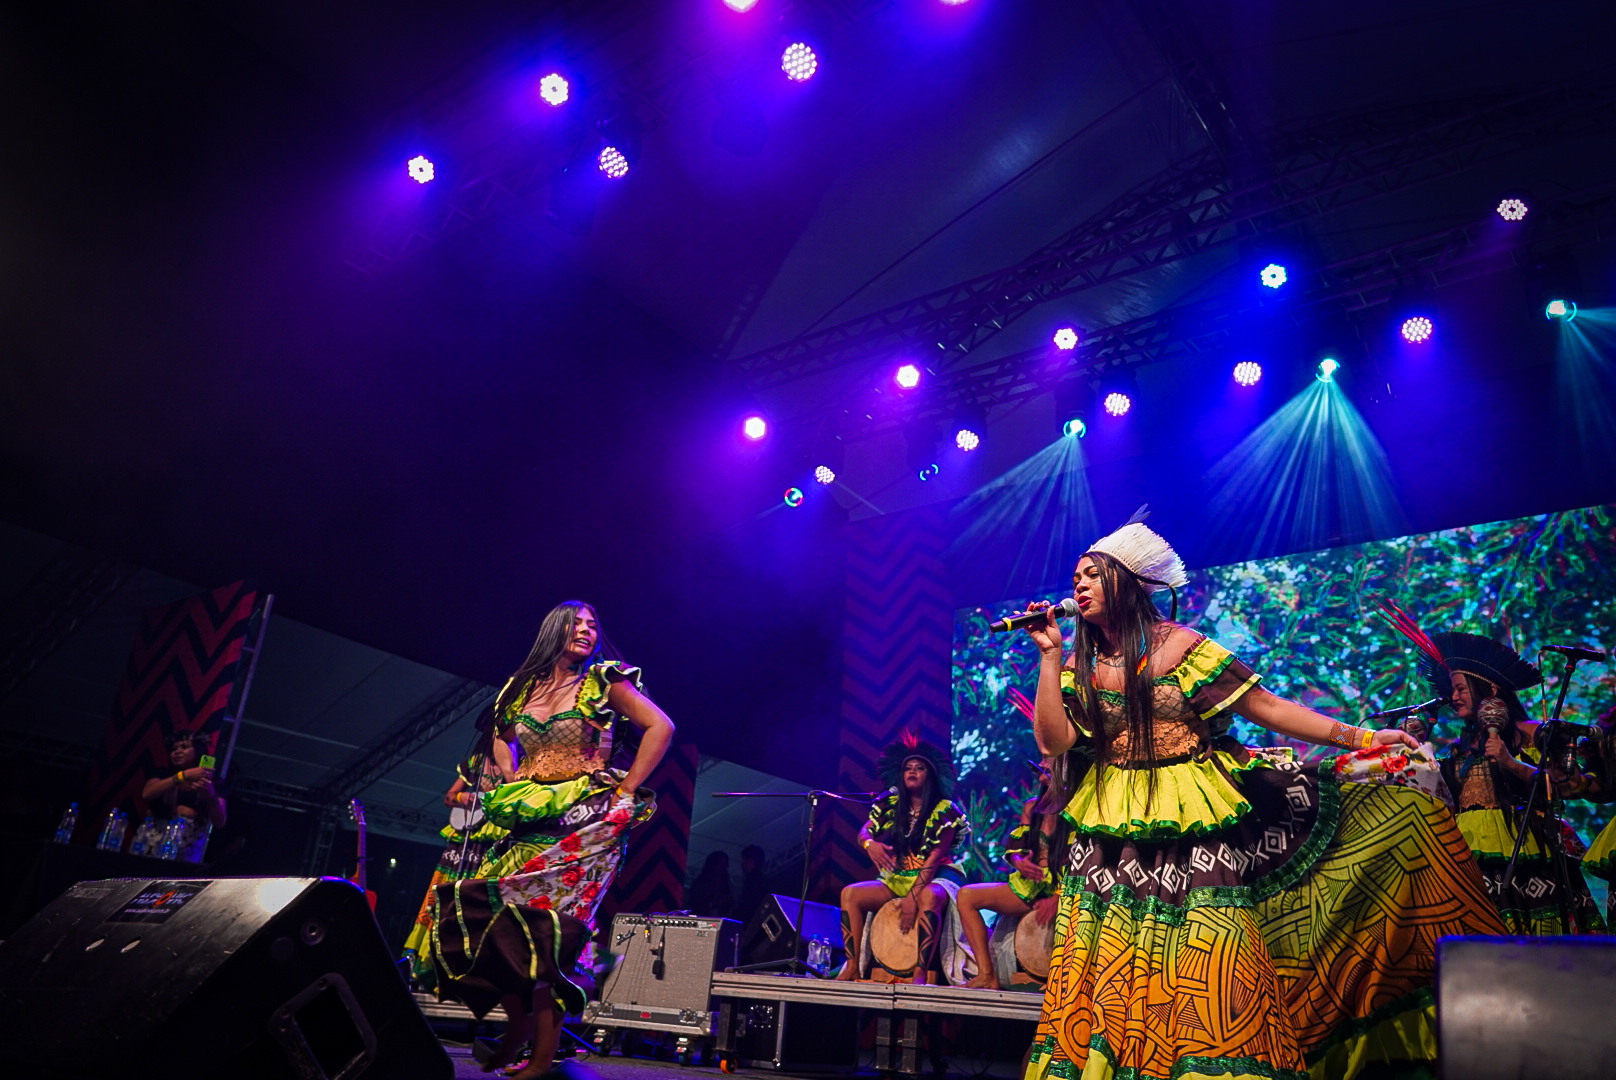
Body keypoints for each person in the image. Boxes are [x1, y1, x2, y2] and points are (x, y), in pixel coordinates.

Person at [1021, 514, 1505, 1080]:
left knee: (1212, 956)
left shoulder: (1183, 648)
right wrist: (1049, 659)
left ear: (1127, 584)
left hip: (1189, 816)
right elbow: (1055, 741)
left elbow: (1270, 709)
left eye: (1093, 575)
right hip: (1109, 828)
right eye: (1076, 575)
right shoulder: (1078, 662)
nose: (1078, 585)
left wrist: (1366, 737)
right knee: (1107, 962)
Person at [430, 601, 674, 1080]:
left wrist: (625, 794)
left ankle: (541, 1058)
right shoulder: (522, 687)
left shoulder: (604, 681)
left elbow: (660, 727)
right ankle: (519, 1031)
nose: (585, 631)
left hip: (587, 823)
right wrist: (510, 772)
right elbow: (500, 732)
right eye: (575, 624)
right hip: (530, 817)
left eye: (591, 626)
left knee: (549, 935)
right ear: (553, 631)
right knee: (494, 923)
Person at [1388, 619, 1607, 934]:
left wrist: (1509, 762)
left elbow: (1563, 787)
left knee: (1537, 942)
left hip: (1525, 847)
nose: (1454, 696)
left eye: (1460, 688)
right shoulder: (1461, 747)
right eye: (1452, 690)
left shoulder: (1529, 732)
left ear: (1490, 688)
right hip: (1466, 852)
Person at [836, 732, 967, 984]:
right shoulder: (892, 803)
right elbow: (865, 831)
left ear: (931, 776)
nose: (912, 771)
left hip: (936, 876)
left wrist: (911, 898)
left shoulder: (945, 811)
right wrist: (869, 843)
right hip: (898, 875)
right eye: (908, 767)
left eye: (919, 768)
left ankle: (920, 971)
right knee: (850, 894)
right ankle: (852, 966)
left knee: (928, 895)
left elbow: (933, 859)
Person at [400, 720, 517, 988]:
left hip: (493, 838)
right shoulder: (475, 763)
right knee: (442, 893)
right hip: (464, 838)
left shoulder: (519, 766)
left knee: (474, 898)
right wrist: (470, 798)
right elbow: (450, 797)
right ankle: (424, 964)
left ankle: (463, 968)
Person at [956, 763, 1060, 990]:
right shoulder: (1033, 808)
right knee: (966, 896)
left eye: (1048, 765)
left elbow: (1084, 863)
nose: (1041, 771)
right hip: (1030, 888)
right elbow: (1017, 846)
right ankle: (986, 974)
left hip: (1066, 892)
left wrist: (1059, 897)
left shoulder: (1079, 809)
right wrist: (1019, 862)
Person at [140, 730, 226, 861]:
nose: (177, 751)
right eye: (174, 748)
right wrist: (182, 776)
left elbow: (220, 822)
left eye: (184, 747)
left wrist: (210, 796)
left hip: (188, 848)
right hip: (153, 842)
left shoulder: (212, 782)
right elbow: (147, 794)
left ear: (198, 750)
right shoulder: (163, 774)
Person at [685, 850, 735, 918]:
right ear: (713, 865)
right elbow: (695, 905)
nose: (723, 868)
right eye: (720, 864)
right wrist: (715, 904)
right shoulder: (700, 884)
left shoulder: (725, 886)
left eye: (725, 865)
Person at [733, 843, 769, 929]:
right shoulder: (760, 879)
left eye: (744, 860)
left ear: (750, 861)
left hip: (748, 924)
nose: (742, 863)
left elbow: (748, 904)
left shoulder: (753, 880)